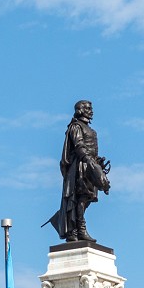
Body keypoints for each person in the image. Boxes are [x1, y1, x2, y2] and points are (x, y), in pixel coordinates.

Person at [47, 99, 111, 243]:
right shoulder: (76, 127)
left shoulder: (91, 130)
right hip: (80, 167)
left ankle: (76, 227)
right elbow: (79, 146)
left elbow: (90, 149)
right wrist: (89, 161)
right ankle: (78, 230)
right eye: (88, 108)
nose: (91, 110)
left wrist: (97, 162)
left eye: (91, 108)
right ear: (80, 110)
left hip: (90, 164)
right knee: (80, 197)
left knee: (86, 199)